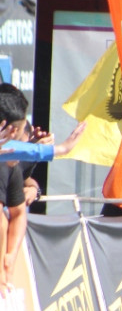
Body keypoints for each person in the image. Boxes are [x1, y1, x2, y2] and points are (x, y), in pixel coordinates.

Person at [0, 84, 85, 291]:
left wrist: (9, 257)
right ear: (12, 129)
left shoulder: (9, 162)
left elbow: (18, 214)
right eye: (20, 132)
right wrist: (58, 149)